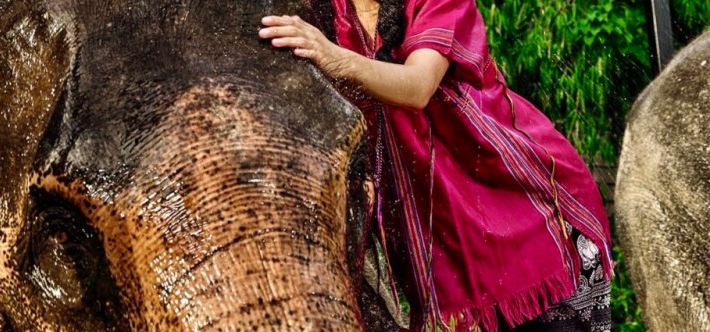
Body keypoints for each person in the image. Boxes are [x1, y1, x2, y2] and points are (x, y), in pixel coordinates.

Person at [259, 0, 613, 331]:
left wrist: (333, 57)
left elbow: (417, 87)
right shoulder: (325, 12)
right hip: (443, 243)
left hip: (527, 219)